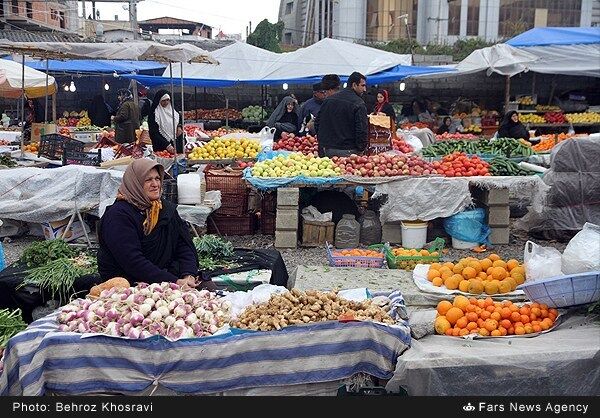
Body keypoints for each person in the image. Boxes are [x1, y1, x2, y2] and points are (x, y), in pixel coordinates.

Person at [97, 159, 217, 290]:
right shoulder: (119, 216)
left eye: (157, 178)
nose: (155, 184)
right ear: (135, 183)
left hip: (167, 276)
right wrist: (173, 282)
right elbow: (133, 262)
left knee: (210, 289)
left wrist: (188, 274)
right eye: (148, 180)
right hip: (130, 283)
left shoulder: (164, 209)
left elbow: (184, 245)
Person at [315, 71, 368, 157]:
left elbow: (317, 123)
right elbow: (361, 130)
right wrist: (361, 148)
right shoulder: (358, 103)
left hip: (327, 150)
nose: (365, 89)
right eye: (362, 85)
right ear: (354, 85)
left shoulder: (328, 100)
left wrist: (323, 143)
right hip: (348, 151)